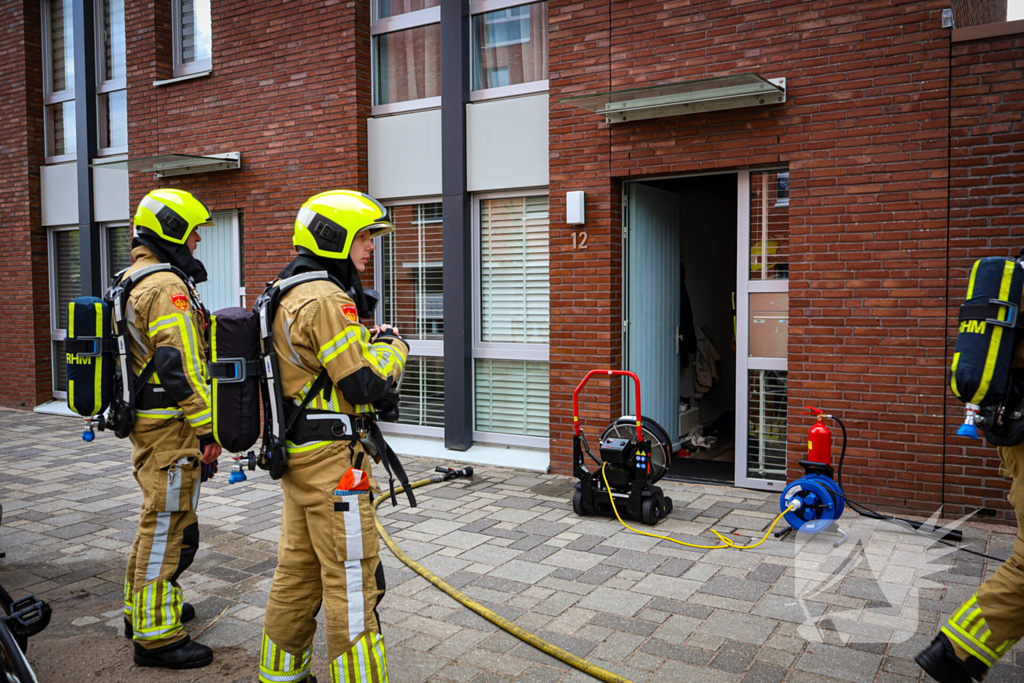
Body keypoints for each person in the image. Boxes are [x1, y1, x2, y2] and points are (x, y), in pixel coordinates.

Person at [258, 190, 408, 683]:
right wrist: (392, 347)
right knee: (351, 579)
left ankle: (280, 675)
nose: (370, 248)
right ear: (334, 237)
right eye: (363, 236)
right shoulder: (325, 298)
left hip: (300, 455)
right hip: (332, 468)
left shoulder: (285, 288)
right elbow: (365, 385)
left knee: (297, 574)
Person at [120, 189, 222, 669]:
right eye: (193, 229)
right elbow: (179, 363)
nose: (199, 239)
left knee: (153, 519)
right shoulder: (165, 286)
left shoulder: (132, 277)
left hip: (149, 425)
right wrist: (208, 431)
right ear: (171, 229)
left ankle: (140, 609)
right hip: (171, 430)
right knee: (167, 525)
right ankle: (157, 637)